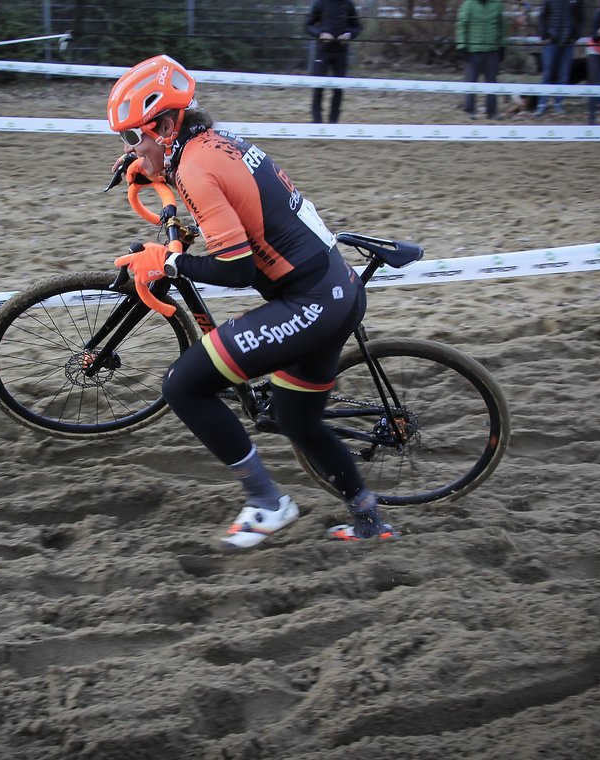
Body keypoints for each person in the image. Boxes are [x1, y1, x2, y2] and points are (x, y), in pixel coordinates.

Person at [107, 55, 399, 549]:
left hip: (310, 302)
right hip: (334, 289)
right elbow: (203, 189)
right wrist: (145, 165)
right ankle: (371, 520)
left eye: (133, 137)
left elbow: (235, 270)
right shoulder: (205, 145)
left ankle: (268, 502)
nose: (130, 148)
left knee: (183, 386)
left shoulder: (196, 167)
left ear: (163, 125)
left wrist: (168, 264)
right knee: (296, 418)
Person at [305, 0, 362, 124]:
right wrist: (320, 34)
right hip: (323, 50)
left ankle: (333, 122)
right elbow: (308, 25)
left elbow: (357, 26)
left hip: (341, 51)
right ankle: (316, 123)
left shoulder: (348, 4)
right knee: (318, 87)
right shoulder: (319, 3)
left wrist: (349, 35)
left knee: (338, 88)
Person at [456, 0, 508, 119]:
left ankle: (492, 112)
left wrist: (502, 46)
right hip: (473, 50)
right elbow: (462, 25)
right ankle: (469, 111)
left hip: (492, 50)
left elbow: (502, 27)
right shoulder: (468, 4)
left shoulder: (497, 4)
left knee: (492, 82)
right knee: (471, 81)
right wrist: (461, 46)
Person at [535, 0, 583, 116]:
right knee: (547, 75)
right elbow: (542, 16)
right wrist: (544, 35)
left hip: (567, 42)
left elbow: (581, 17)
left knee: (563, 75)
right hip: (551, 42)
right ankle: (542, 104)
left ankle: (558, 103)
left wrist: (575, 36)